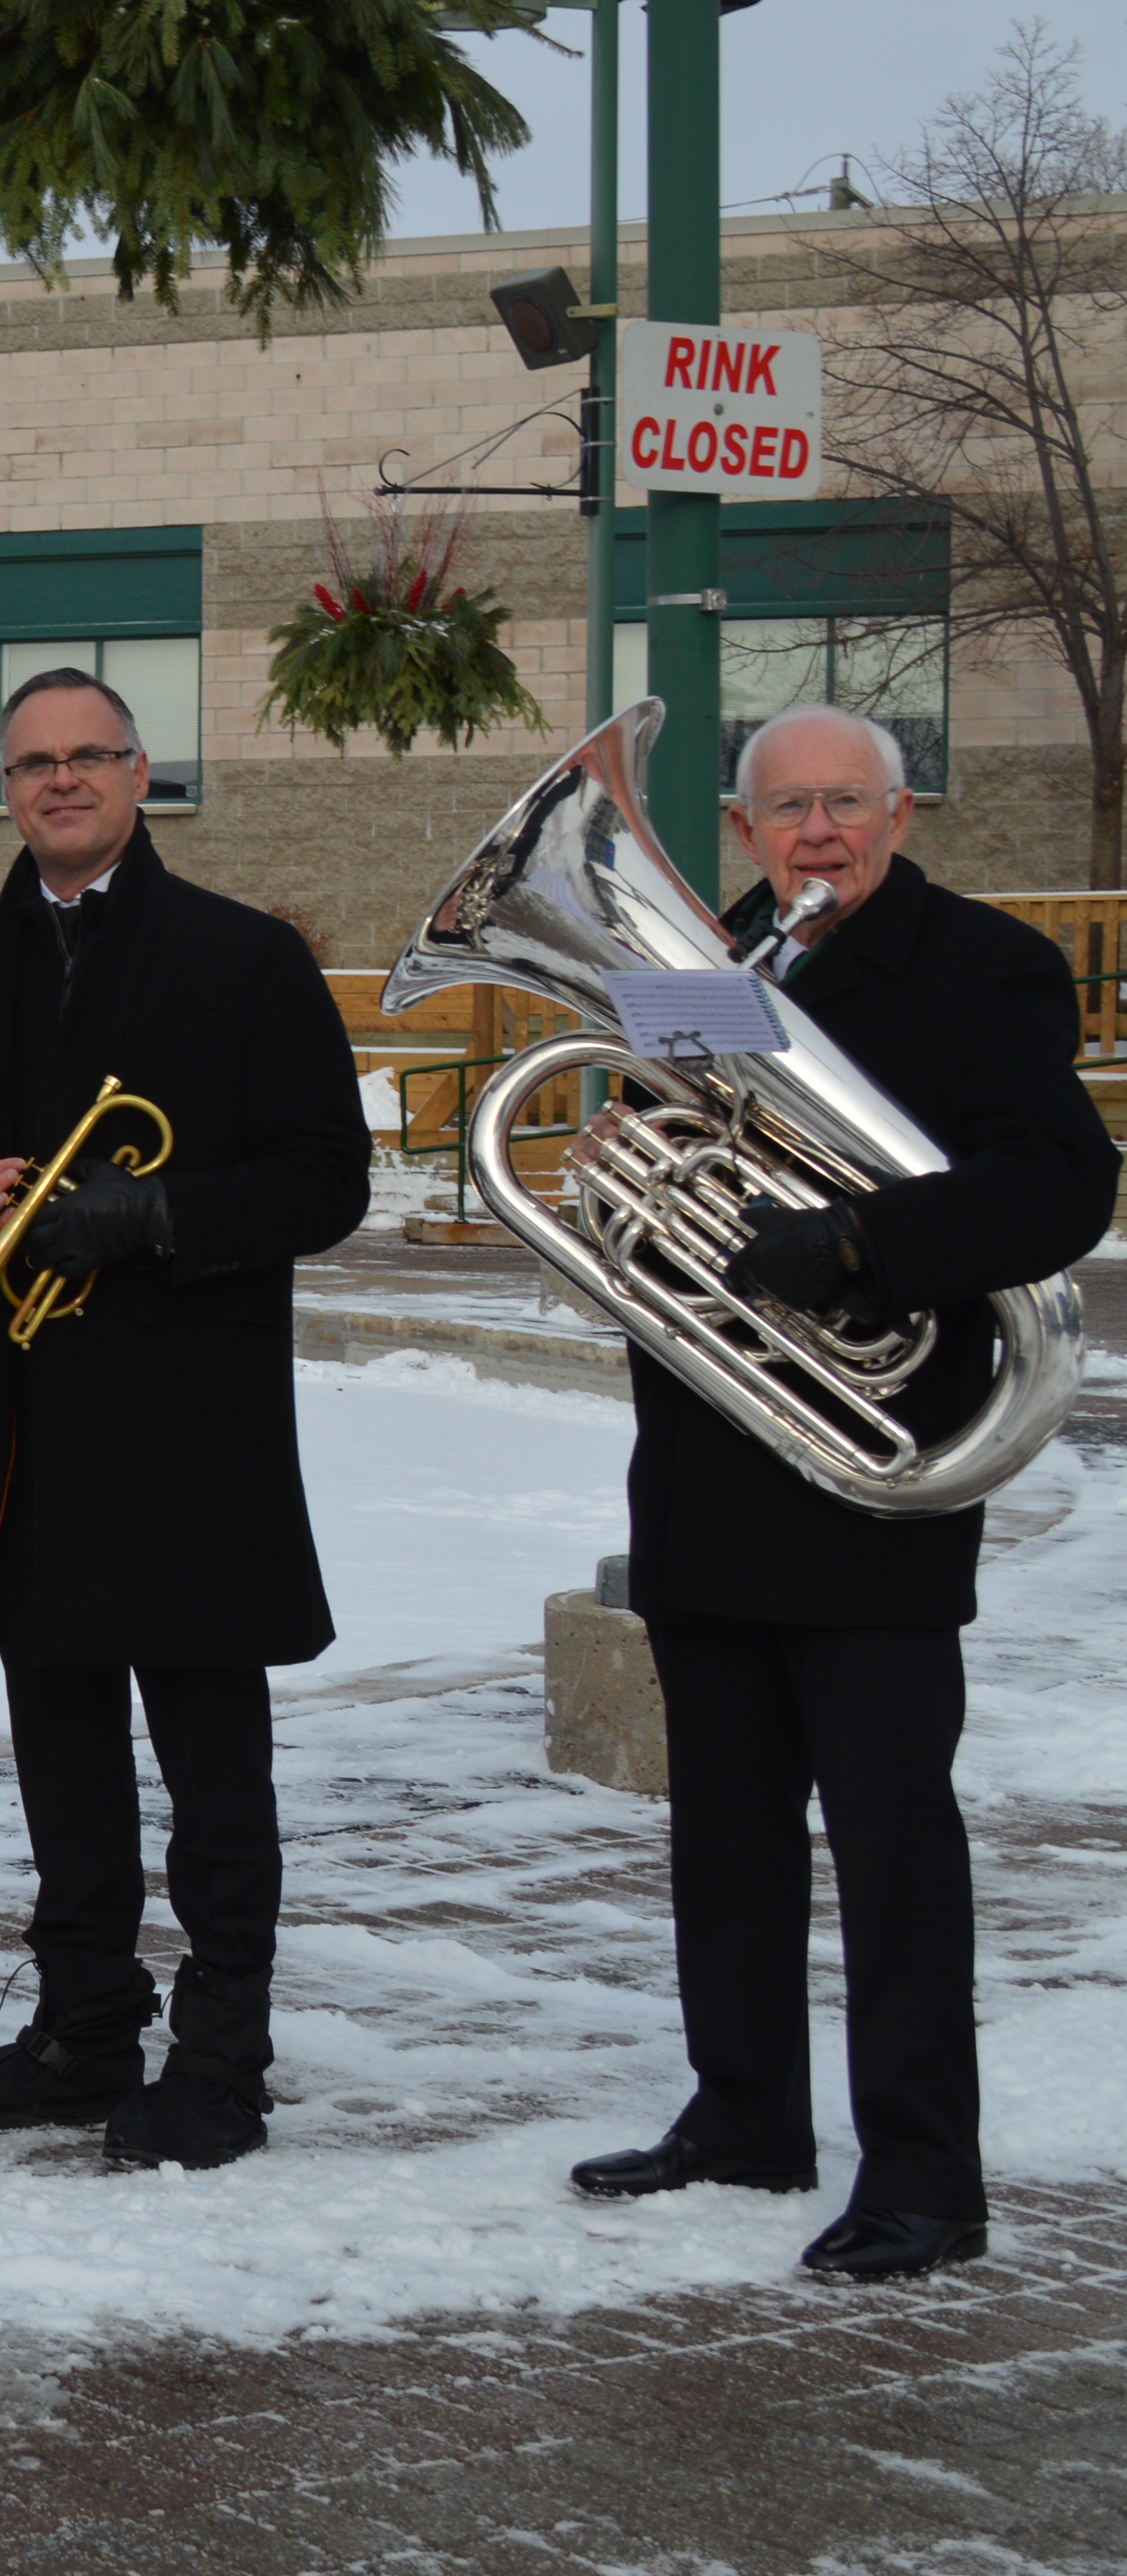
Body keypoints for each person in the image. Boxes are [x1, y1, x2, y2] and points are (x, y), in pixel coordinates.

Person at [566, 703, 1114, 2281]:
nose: (817, 832)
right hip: (707, 1459)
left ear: (898, 815)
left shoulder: (983, 964)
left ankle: (926, 2179)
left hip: (867, 1469)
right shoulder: (706, 969)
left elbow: (1058, 1183)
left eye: (846, 804)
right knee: (722, 1830)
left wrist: (860, 1242)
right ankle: (743, 2114)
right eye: (786, 808)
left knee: (887, 1844)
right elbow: (660, 1158)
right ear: (742, 832)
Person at [0, 664, 370, 2172]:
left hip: (184, 1425)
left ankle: (221, 2055)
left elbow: (324, 1179)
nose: (61, 781)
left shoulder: (243, 959)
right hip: (22, 1419)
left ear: (140, 772)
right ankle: (85, 2024)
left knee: (213, 1759)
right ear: (5, 787)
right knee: (60, 1743)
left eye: (90, 756)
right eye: (32, 762)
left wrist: (145, 1214)